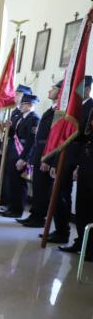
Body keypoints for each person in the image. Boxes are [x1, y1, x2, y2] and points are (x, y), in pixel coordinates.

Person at [44, 76, 93, 244]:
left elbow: (85, 137)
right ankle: (61, 230)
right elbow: (62, 136)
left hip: (80, 157)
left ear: (88, 89)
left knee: (75, 199)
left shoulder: (90, 107)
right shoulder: (73, 108)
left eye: (79, 89)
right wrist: (55, 161)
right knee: (57, 193)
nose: (76, 92)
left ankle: (74, 237)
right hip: (65, 155)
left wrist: (78, 165)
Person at [18, 83, 60, 228]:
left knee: (43, 190)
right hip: (39, 153)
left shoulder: (60, 111)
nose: (49, 90)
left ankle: (39, 218)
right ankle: (34, 215)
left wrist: (48, 159)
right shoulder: (51, 110)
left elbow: (55, 138)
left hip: (46, 155)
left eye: (53, 88)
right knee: (37, 188)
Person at [59, 86, 93, 258]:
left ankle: (90, 248)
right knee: (82, 205)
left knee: (90, 206)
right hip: (87, 160)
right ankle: (81, 242)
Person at [2, 93, 39, 219]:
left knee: (19, 183)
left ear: (30, 105)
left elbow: (31, 141)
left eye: (23, 104)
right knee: (12, 181)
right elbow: (14, 134)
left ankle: (17, 210)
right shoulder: (21, 118)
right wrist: (9, 127)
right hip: (14, 151)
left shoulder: (34, 119)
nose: (21, 106)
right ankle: (11, 207)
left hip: (22, 152)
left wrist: (24, 158)